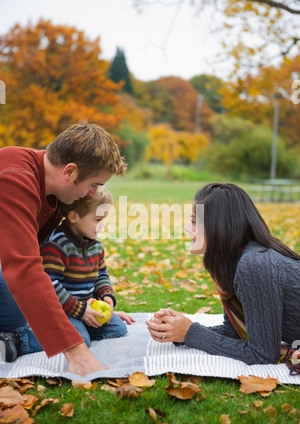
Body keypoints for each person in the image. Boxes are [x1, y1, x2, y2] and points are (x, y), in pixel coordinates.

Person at [0, 122, 127, 376]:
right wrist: (75, 350)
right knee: (18, 318)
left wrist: (92, 304)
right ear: (69, 171)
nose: (93, 193)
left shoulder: (58, 194)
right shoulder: (14, 177)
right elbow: (24, 267)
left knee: (29, 313)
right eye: (93, 185)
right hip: (7, 267)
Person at [146, 183, 300, 368]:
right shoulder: (234, 262)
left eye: (194, 221)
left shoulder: (254, 265)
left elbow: (263, 354)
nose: (187, 228)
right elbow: (234, 332)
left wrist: (190, 333)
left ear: (217, 226)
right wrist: (179, 330)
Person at [39, 187, 135, 348]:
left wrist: (107, 296)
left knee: (119, 329)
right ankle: (30, 336)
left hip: (86, 307)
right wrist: (80, 310)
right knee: (80, 340)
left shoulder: (95, 245)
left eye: (104, 219)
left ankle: (79, 326)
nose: (102, 225)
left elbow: (101, 274)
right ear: (74, 217)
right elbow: (50, 284)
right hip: (61, 310)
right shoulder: (57, 245)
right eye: (98, 220)